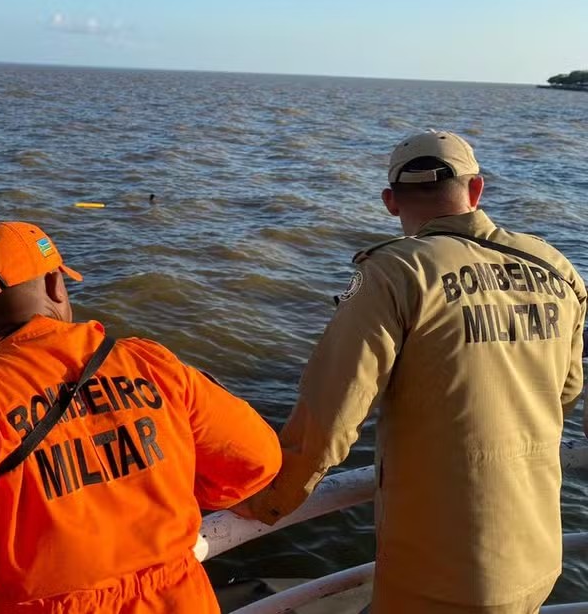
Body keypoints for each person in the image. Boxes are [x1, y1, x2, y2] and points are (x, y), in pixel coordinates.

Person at [236, 131, 586, 613]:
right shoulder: (556, 267)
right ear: (476, 189)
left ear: (390, 202)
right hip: (539, 556)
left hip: (442, 573)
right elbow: (565, 393)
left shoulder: (394, 271)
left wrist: (269, 502)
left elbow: (332, 415)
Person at [0, 220, 282, 614]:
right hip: (181, 598)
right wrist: (166, 482)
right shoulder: (149, 363)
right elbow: (257, 459)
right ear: (56, 285)